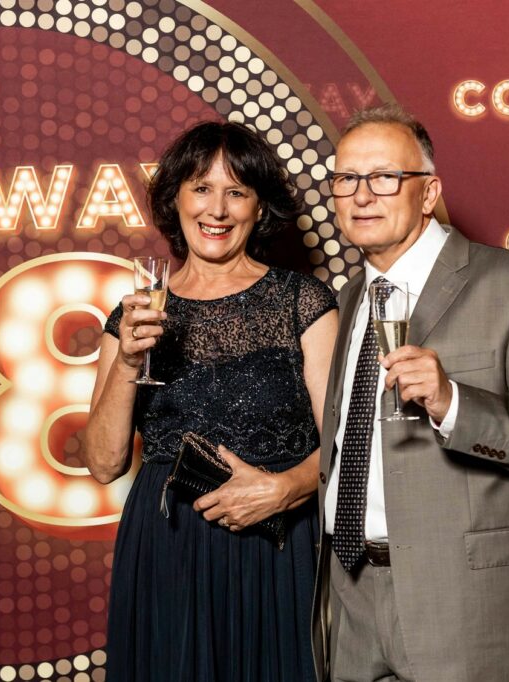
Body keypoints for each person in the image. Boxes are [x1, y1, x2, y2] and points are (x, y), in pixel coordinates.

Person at [312, 104, 509, 682]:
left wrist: (454, 403)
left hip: (469, 608)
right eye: (346, 178)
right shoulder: (350, 296)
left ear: (428, 192)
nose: (361, 195)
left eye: (384, 177)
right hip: (352, 599)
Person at [85, 120, 339, 681]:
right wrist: (126, 361)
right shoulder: (132, 315)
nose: (217, 209)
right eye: (201, 188)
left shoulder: (303, 302)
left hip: (276, 542)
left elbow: (348, 448)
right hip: (168, 544)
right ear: (175, 199)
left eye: (236, 192)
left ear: (259, 207)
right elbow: (103, 464)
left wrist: (286, 488)